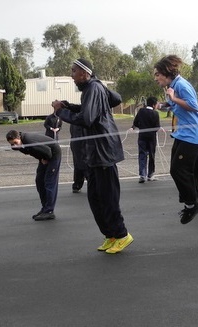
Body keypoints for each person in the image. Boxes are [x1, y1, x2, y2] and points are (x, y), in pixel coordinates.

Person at [52, 58, 133, 254]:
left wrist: (61, 112)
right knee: (95, 197)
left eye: (73, 71)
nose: (71, 75)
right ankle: (110, 235)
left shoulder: (94, 88)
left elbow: (87, 119)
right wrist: (69, 106)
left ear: (84, 73)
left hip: (103, 151)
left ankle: (122, 235)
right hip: (94, 153)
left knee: (107, 197)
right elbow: (90, 109)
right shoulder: (91, 90)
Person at [154, 55, 198, 224]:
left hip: (193, 135)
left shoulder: (181, 85)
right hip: (183, 134)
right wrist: (165, 105)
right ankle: (191, 200)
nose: (156, 79)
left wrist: (174, 98)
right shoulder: (174, 85)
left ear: (165, 72)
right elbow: (177, 105)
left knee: (178, 170)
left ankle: (193, 204)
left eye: (157, 75)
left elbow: (193, 106)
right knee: (180, 169)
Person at [6, 130, 61, 221]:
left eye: (15, 143)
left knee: (49, 182)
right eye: (12, 144)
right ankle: (45, 208)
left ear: (19, 137)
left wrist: (45, 159)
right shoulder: (22, 143)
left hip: (52, 153)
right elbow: (32, 152)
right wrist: (41, 158)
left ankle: (49, 211)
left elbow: (47, 151)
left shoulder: (29, 140)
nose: (14, 145)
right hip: (43, 155)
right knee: (39, 181)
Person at [131, 96, 161, 183]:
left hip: (142, 136)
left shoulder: (141, 111)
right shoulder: (155, 114)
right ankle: (150, 174)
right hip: (151, 138)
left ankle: (142, 175)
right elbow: (157, 127)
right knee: (152, 155)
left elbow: (136, 123)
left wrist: (142, 127)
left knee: (142, 155)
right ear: (154, 105)